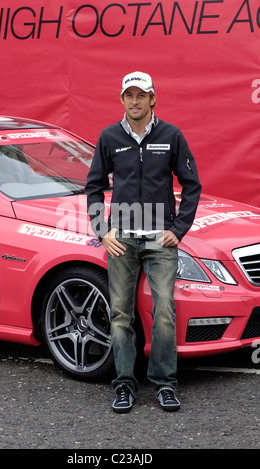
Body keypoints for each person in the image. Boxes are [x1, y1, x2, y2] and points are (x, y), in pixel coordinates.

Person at [85, 71, 201, 413]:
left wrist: (178, 229)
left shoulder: (171, 135)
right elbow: (93, 186)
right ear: (122, 100)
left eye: (141, 95)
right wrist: (101, 230)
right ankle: (124, 386)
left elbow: (191, 184)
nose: (135, 101)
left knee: (164, 309)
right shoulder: (109, 137)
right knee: (121, 315)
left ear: (153, 98)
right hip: (120, 239)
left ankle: (165, 384)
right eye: (129, 95)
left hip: (159, 238)